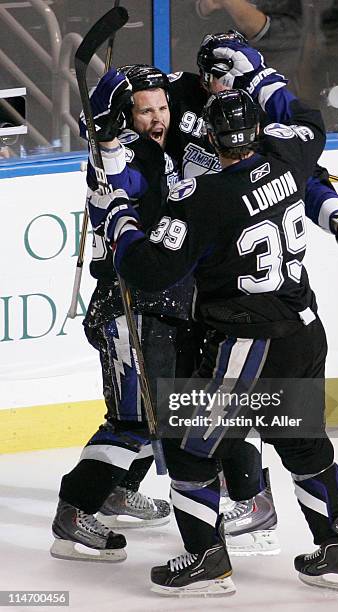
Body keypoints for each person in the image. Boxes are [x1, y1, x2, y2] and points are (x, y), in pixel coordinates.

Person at [87, 80, 338, 596]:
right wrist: (260, 75)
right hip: (304, 331)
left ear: (213, 141)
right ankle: (337, 553)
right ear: (258, 129)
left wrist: (119, 217)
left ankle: (206, 563)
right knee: (303, 445)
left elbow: (149, 270)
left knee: (190, 450)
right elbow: (310, 118)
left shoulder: (207, 197)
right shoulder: (289, 154)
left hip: (249, 343)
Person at [50, 65, 184, 562]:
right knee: (130, 418)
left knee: (157, 413)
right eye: (145, 109)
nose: (157, 118)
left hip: (155, 303)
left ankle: (114, 489)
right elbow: (118, 172)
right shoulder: (115, 153)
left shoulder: (160, 144)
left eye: (162, 107)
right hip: (122, 306)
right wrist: (105, 136)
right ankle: (73, 513)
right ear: (125, 116)